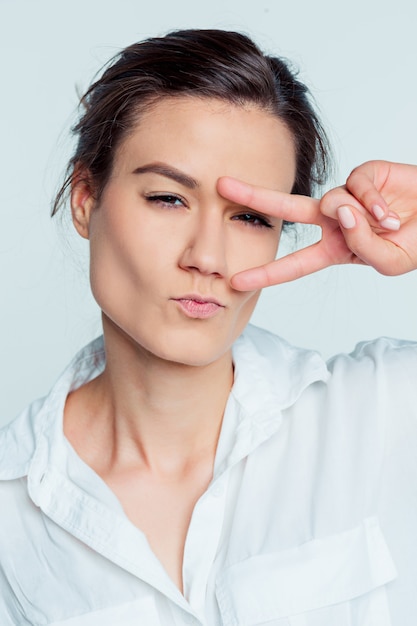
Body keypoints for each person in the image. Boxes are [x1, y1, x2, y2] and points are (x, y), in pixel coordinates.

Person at [0, 28, 416, 626]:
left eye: (250, 216)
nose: (209, 257)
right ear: (86, 199)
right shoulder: (15, 517)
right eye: (169, 199)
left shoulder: (384, 413)